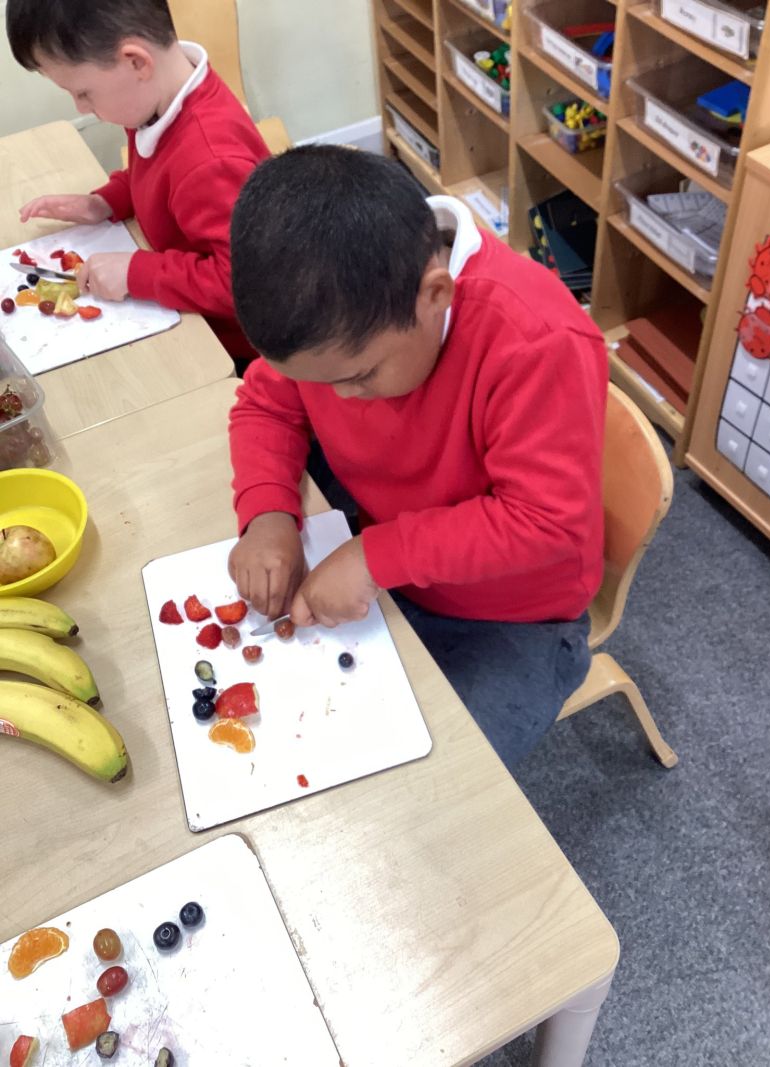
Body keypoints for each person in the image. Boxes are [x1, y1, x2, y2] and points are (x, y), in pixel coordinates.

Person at [227, 146, 608, 770]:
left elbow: (545, 522)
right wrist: (268, 514)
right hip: (394, 565)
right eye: (314, 381)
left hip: (514, 618)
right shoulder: (337, 319)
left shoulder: (534, 342)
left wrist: (375, 557)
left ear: (435, 295)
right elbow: (266, 406)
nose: (339, 399)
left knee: (437, 788)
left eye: (358, 377)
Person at [6, 0, 269, 367]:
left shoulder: (211, 158)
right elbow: (158, 173)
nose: (81, 108)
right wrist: (107, 201)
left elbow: (248, 284)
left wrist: (136, 273)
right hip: (195, 316)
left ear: (136, 62)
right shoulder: (161, 101)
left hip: (240, 349)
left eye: (83, 93)